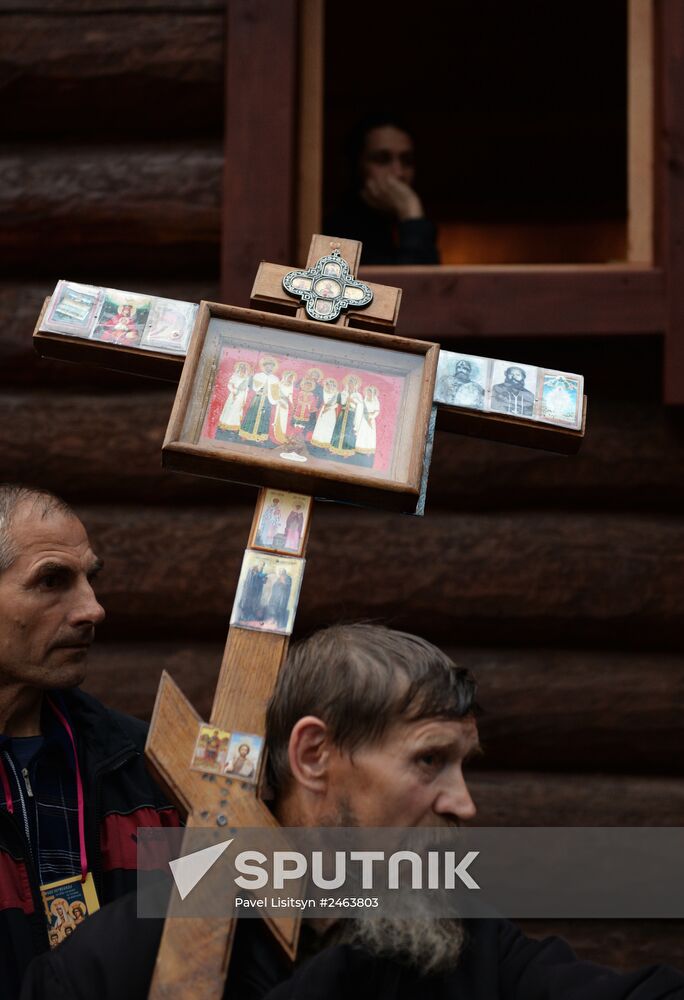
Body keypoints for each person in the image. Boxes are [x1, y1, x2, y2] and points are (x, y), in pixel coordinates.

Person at [20, 624, 684, 999]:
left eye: (463, 764)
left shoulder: (461, 942)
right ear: (313, 755)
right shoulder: (110, 965)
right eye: (429, 761)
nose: (463, 803)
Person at [0, 484, 180, 1000]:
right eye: (52, 581)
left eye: (89, 580)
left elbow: (210, 926)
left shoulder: (149, 774)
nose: (93, 609)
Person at [324, 113, 440, 265]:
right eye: (382, 159)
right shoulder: (337, 236)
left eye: (407, 161)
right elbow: (410, 286)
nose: (398, 173)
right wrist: (412, 219)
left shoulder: (400, 222)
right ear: (355, 166)